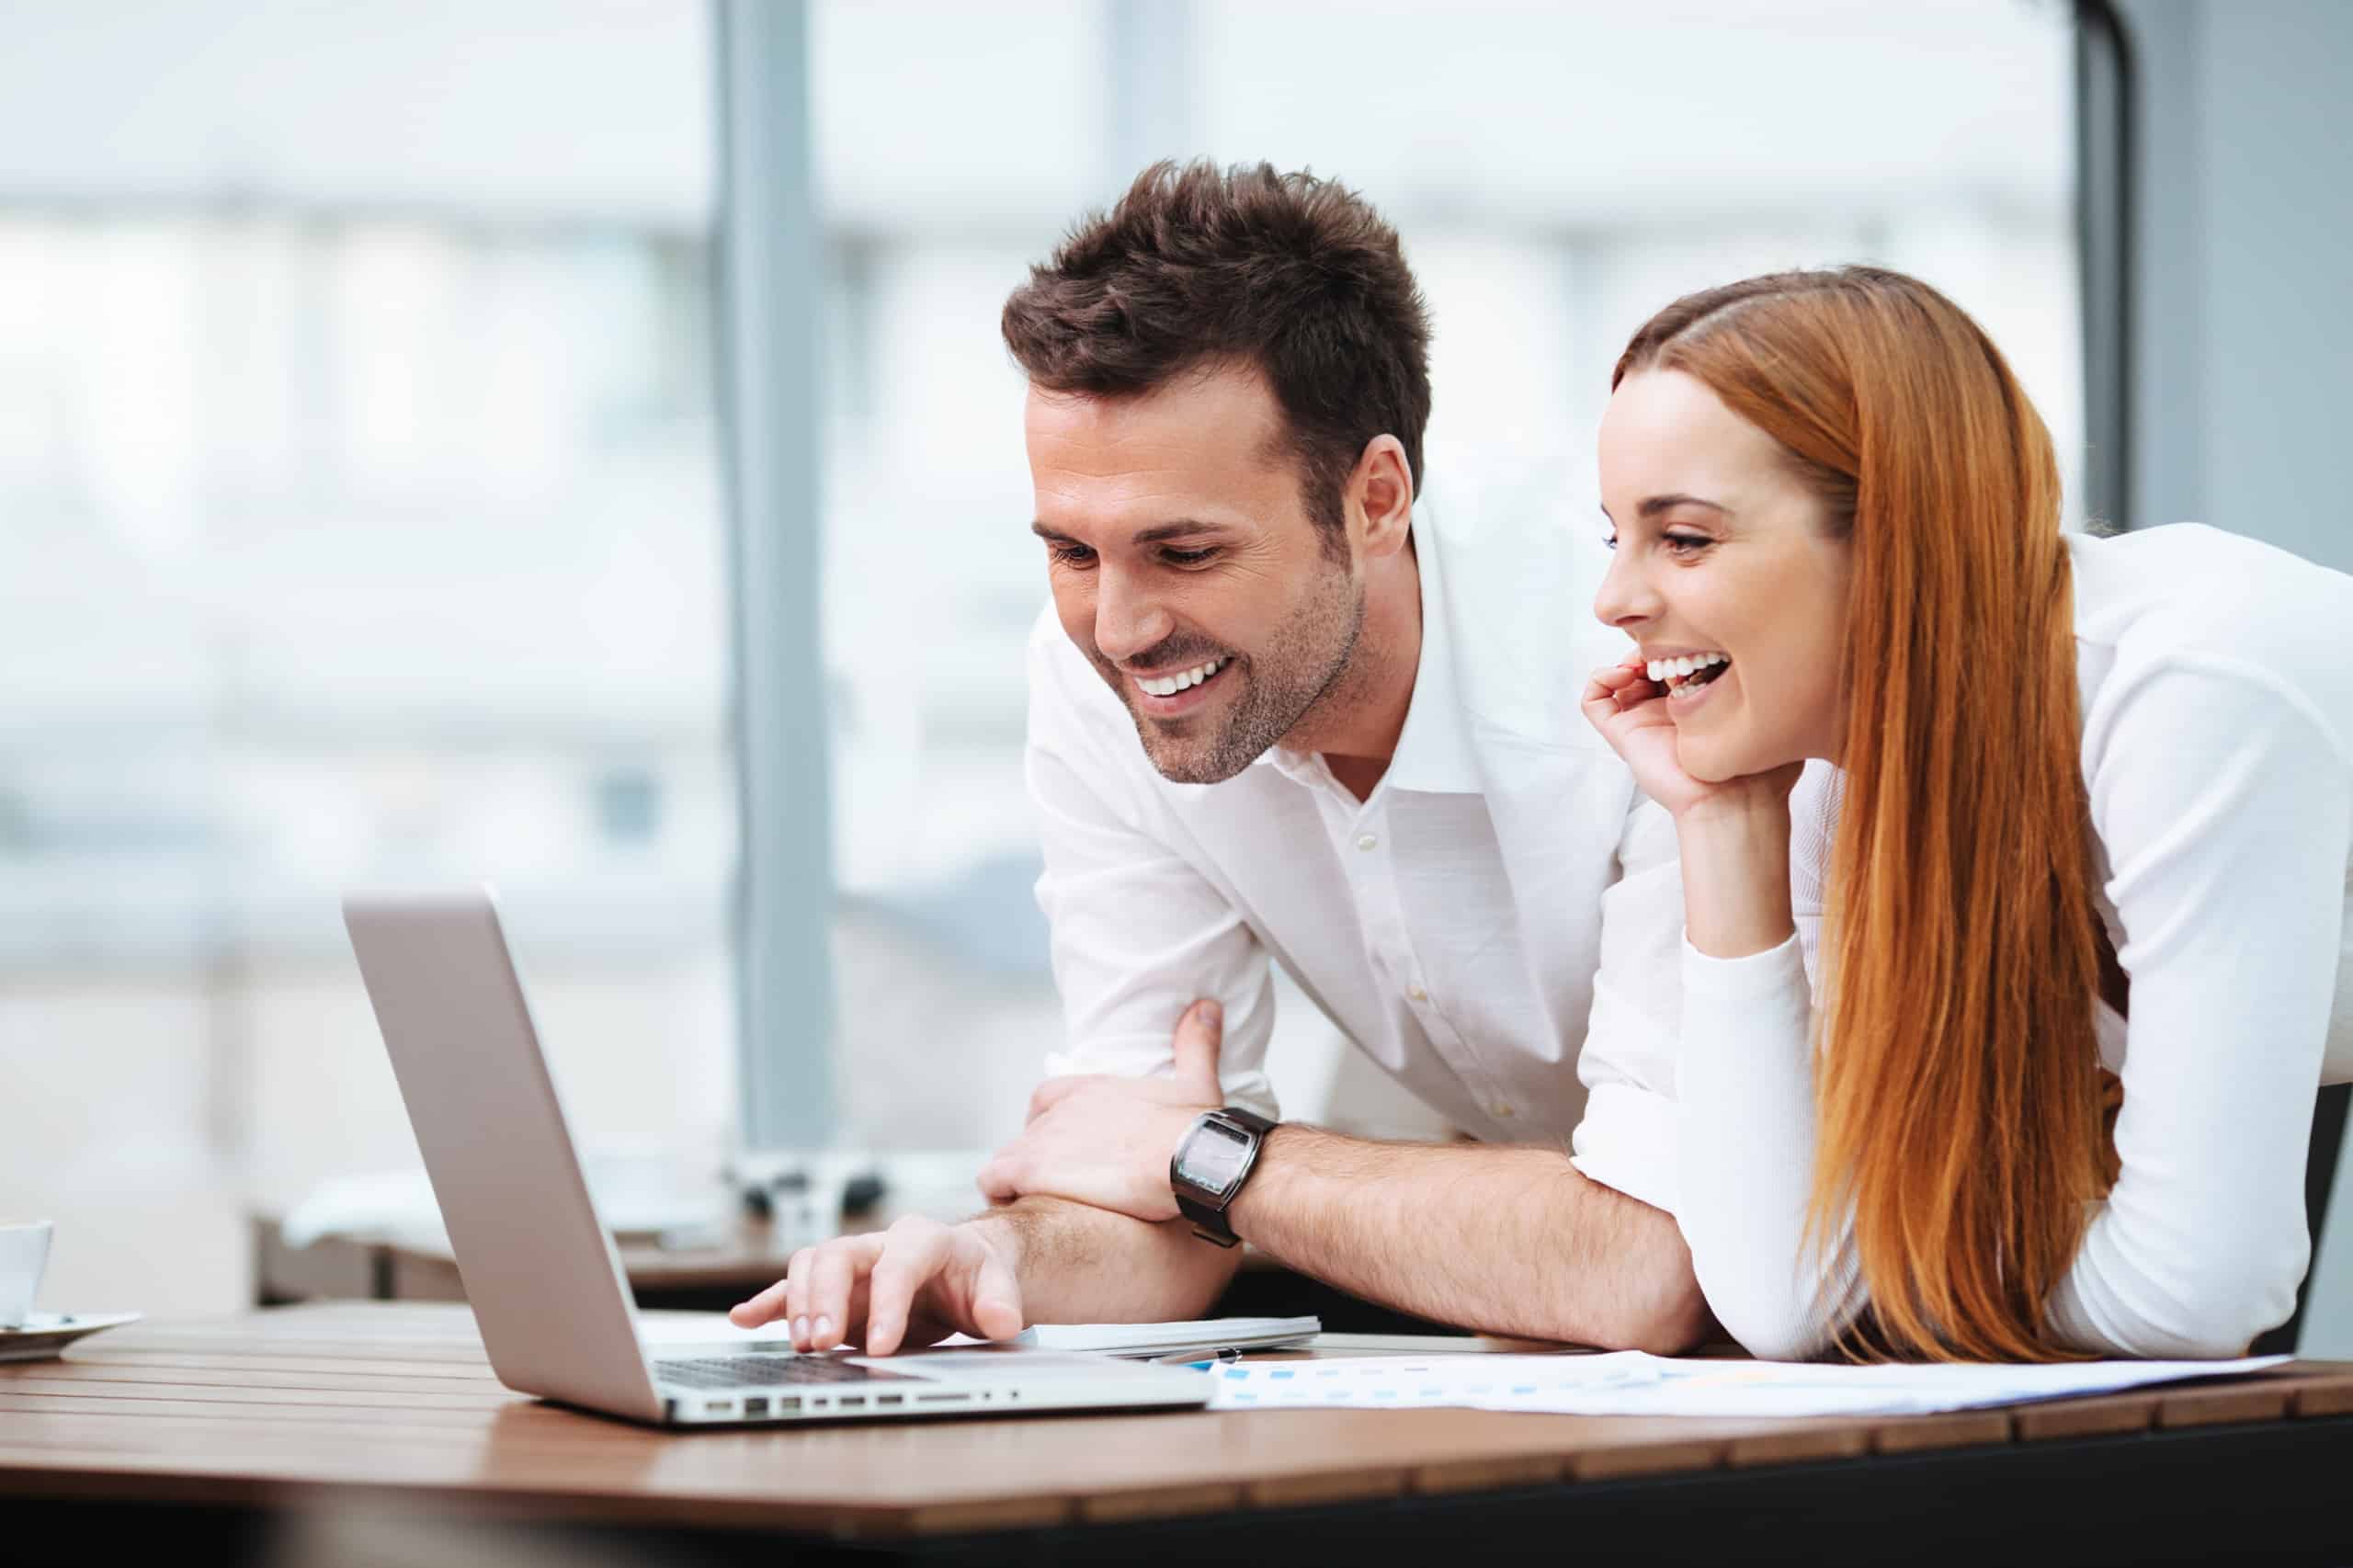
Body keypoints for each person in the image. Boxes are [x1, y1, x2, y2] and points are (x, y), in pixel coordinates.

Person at [729, 160, 1707, 1356]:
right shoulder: (1102, 677)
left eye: (1183, 551)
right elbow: (1142, 1185)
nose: (1122, 629)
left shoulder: (1640, 645)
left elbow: (1647, 1260)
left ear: (1376, 498)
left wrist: (1211, 1157)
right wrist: (991, 1259)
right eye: (1074, 553)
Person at [1577, 265, 2353, 1361]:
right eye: (1609, 535)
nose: (1613, 598)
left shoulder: (2193, 684)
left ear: (1894, 532)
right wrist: (1723, 829)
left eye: (1685, 538)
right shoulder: (1835, 764)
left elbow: (2197, 1292)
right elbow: (1789, 1294)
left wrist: (1908, 1274)